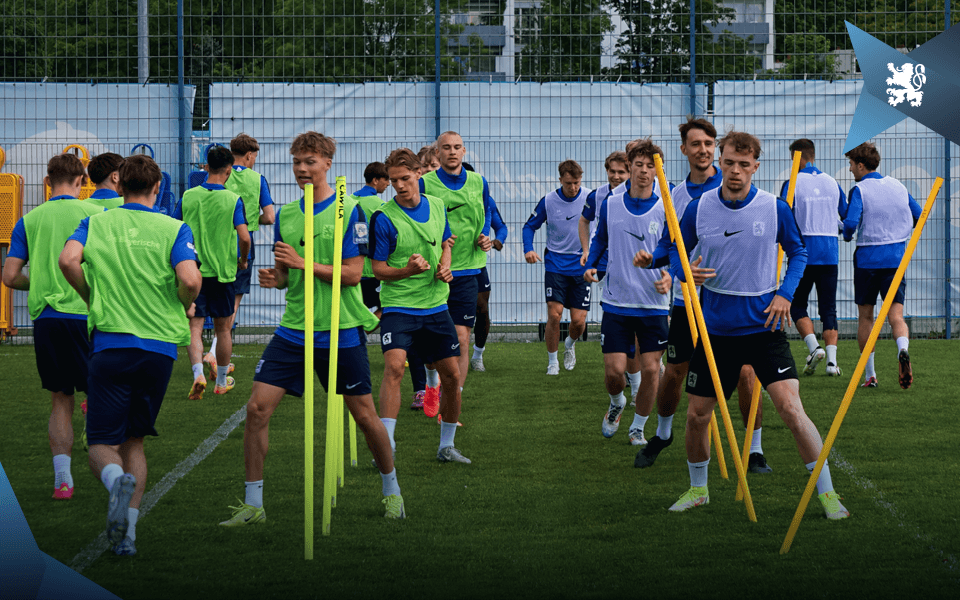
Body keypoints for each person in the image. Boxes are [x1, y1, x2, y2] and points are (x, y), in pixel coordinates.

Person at [648, 130, 848, 519]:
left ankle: (827, 494)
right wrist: (684, 270)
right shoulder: (699, 207)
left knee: (791, 408)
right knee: (697, 416)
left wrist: (786, 294)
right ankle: (697, 489)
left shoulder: (774, 207)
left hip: (764, 328)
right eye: (729, 163)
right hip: (715, 332)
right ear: (719, 163)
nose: (736, 171)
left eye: (744, 164)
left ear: (756, 166)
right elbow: (675, 248)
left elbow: (799, 251)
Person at [220, 131, 405, 525]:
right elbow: (289, 274)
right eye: (296, 162)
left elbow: (355, 274)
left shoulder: (350, 208)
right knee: (256, 409)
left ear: (327, 164)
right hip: (294, 329)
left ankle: (392, 489)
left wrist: (304, 264)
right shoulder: (287, 213)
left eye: (310, 162)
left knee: (365, 416)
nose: (302, 169)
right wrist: (279, 277)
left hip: (341, 329)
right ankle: (254, 505)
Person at [59, 154, 202, 556]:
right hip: (158, 349)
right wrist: (183, 301)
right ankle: (130, 536)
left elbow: (68, 260)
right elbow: (190, 279)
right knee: (135, 440)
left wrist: (90, 296)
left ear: (118, 187)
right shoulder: (174, 226)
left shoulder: (96, 222)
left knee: (102, 444)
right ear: (158, 189)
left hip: (111, 343)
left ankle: (113, 482)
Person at [635, 118, 768, 473]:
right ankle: (663, 435)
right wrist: (658, 263)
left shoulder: (731, 182)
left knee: (745, 373)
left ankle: (754, 450)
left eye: (709, 143)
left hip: (732, 303)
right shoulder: (675, 194)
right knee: (676, 371)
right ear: (684, 150)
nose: (704, 150)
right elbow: (670, 247)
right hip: (687, 303)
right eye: (696, 144)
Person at [2, 153, 104, 500]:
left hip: (46, 318)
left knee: (60, 401)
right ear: (81, 183)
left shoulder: (28, 220)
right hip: (86, 314)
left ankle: (63, 481)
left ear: (47, 182)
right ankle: (110, 469)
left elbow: (10, 276)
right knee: (101, 394)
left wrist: (42, 282)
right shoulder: (95, 214)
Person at [372, 147, 470, 464]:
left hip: (435, 305)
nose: (399, 185)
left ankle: (447, 446)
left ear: (418, 174)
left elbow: (444, 244)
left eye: (404, 178)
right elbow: (378, 269)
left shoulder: (438, 206)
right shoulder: (383, 217)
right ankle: (386, 445)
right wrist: (407, 271)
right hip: (399, 306)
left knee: (453, 377)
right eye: (393, 180)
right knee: (394, 368)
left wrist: (445, 266)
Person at [583, 140, 672, 446]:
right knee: (614, 372)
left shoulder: (666, 205)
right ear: (630, 166)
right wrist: (591, 264)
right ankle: (617, 402)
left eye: (651, 166)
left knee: (650, 370)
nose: (644, 171)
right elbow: (600, 239)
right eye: (639, 165)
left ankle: (638, 427)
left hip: (654, 304)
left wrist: (665, 272)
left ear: (658, 170)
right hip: (617, 303)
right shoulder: (611, 203)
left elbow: (674, 248)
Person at [419, 131, 493, 405]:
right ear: (437, 153)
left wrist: (485, 236)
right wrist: (436, 239)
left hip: (467, 270)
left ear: (464, 151)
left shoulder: (478, 182)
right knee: (429, 340)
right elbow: (417, 219)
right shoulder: (424, 183)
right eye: (446, 148)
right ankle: (430, 383)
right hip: (434, 271)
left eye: (457, 147)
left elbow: (486, 213)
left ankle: (452, 399)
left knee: (462, 337)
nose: (452, 151)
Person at [842, 142, 922, 389]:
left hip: (868, 260)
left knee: (866, 317)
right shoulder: (897, 185)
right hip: (896, 259)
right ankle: (902, 350)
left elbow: (850, 224)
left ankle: (870, 375)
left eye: (852, 165)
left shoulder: (860, 190)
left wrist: (844, 232)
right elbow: (919, 213)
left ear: (861, 165)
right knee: (895, 315)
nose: (850, 170)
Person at [176, 146, 251, 398]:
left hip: (193, 271)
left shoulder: (188, 196)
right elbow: (244, 236)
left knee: (194, 327)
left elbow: (175, 229)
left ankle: (198, 373)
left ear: (206, 167)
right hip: (222, 273)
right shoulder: (232, 199)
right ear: (229, 170)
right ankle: (220, 381)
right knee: (223, 329)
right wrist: (242, 259)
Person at [203, 134, 275, 382]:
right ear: (249, 155)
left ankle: (209, 354)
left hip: (212, 244)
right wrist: (251, 218)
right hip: (241, 246)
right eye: (255, 156)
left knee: (207, 304)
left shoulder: (218, 174)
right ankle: (215, 352)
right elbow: (270, 216)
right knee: (232, 303)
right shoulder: (257, 179)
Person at [578, 151, 643, 397]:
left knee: (635, 329)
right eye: (612, 171)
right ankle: (621, 382)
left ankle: (636, 384)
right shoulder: (599, 196)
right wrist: (587, 252)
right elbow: (585, 222)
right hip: (606, 261)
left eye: (621, 172)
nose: (616, 176)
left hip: (637, 266)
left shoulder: (647, 193)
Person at [782, 138, 847, 377]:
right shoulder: (832, 182)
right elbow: (846, 216)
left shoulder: (792, 183)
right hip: (829, 252)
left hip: (803, 253)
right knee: (828, 308)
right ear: (813, 155)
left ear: (796, 158)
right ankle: (832, 362)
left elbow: (784, 216)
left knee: (797, 304)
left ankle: (813, 347)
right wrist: (841, 228)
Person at [522, 159, 592, 375]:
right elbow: (529, 226)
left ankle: (569, 345)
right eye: (569, 183)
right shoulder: (549, 201)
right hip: (555, 263)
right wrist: (528, 249)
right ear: (560, 179)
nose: (573, 188)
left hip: (582, 265)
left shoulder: (591, 198)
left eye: (577, 183)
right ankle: (552, 362)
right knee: (555, 314)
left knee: (579, 321)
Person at [471, 195, 508, 372]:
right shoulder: (442, 198)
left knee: (482, 309)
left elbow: (501, 226)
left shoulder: (485, 200)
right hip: (449, 266)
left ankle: (477, 356)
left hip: (477, 266)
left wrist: (496, 241)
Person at [353, 161, 389, 319]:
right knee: (386, 307)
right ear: (375, 180)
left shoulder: (349, 200)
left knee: (354, 311)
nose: (388, 184)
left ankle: (357, 334)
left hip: (351, 268)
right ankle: (361, 334)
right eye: (386, 179)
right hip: (371, 270)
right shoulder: (381, 206)